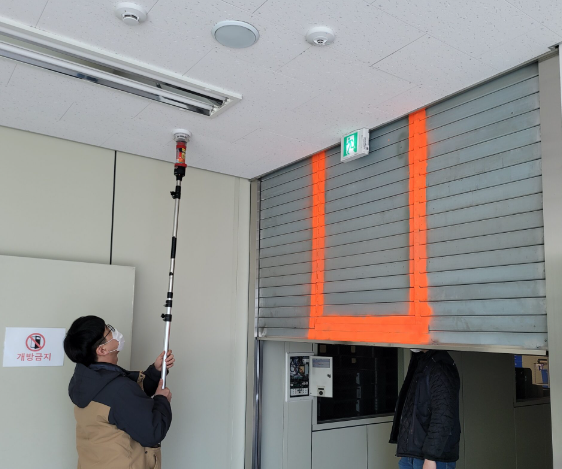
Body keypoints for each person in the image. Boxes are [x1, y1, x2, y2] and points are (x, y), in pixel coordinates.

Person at [63, 315, 175, 469]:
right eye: (109, 331)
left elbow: (129, 404)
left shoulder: (84, 380)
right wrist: (162, 400)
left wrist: (155, 372)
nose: (115, 332)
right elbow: (153, 432)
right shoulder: (119, 389)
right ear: (102, 349)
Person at [389, 349, 461, 469]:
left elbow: (443, 415)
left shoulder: (440, 365)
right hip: (412, 455)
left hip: (432, 459)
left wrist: (430, 458)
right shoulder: (422, 361)